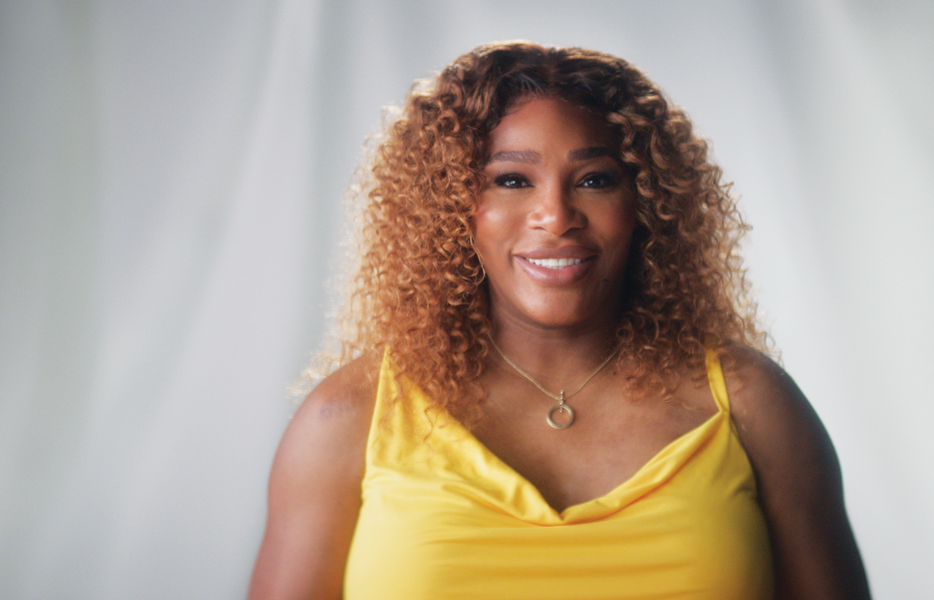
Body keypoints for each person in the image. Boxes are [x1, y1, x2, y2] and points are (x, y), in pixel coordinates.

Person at [248, 41, 871, 600]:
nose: (555, 214)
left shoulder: (750, 404)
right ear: (451, 207)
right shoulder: (352, 416)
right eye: (512, 179)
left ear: (646, 202)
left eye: (595, 179)